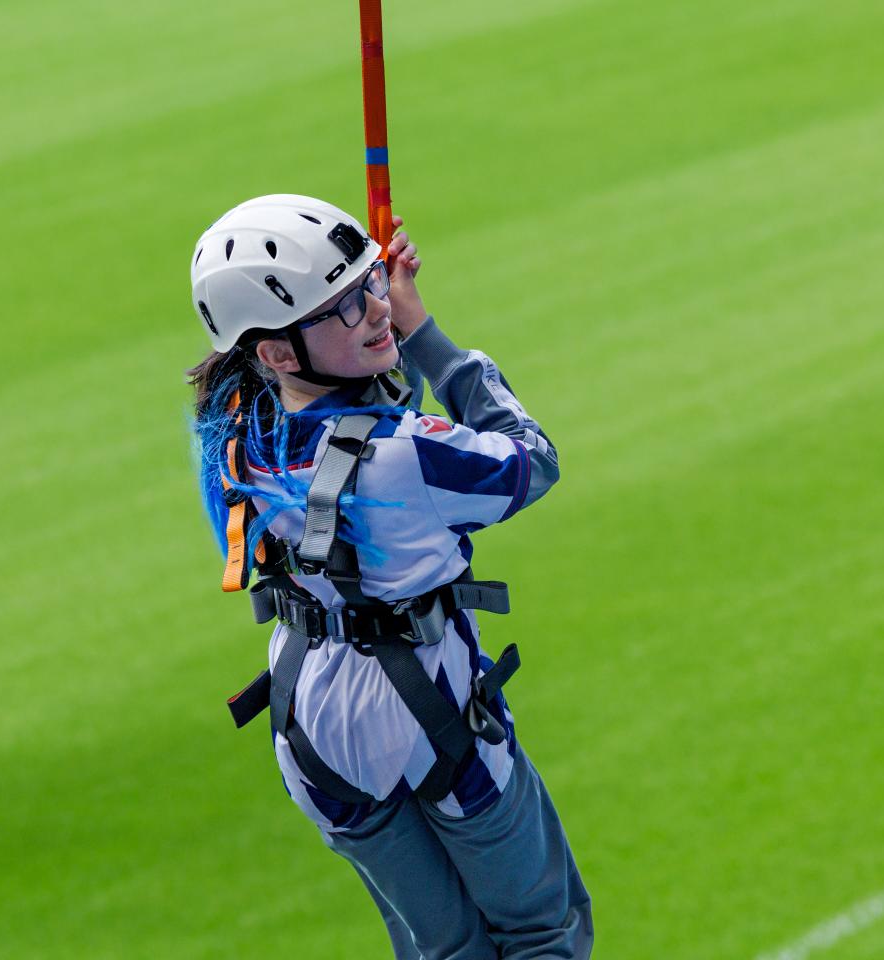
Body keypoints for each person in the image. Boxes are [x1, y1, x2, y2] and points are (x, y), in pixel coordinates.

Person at [186, 194, 593, 959]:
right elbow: (530, 458)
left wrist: (368, 340)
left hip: (312, 724)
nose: (374, 309)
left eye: (370, 285)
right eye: (340, 308)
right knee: (544, 933)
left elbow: (339, 429)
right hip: (427, 714)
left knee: (442, 951)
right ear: (274, 351)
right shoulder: (406, 453)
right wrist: (422, 334)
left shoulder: (235, 438)